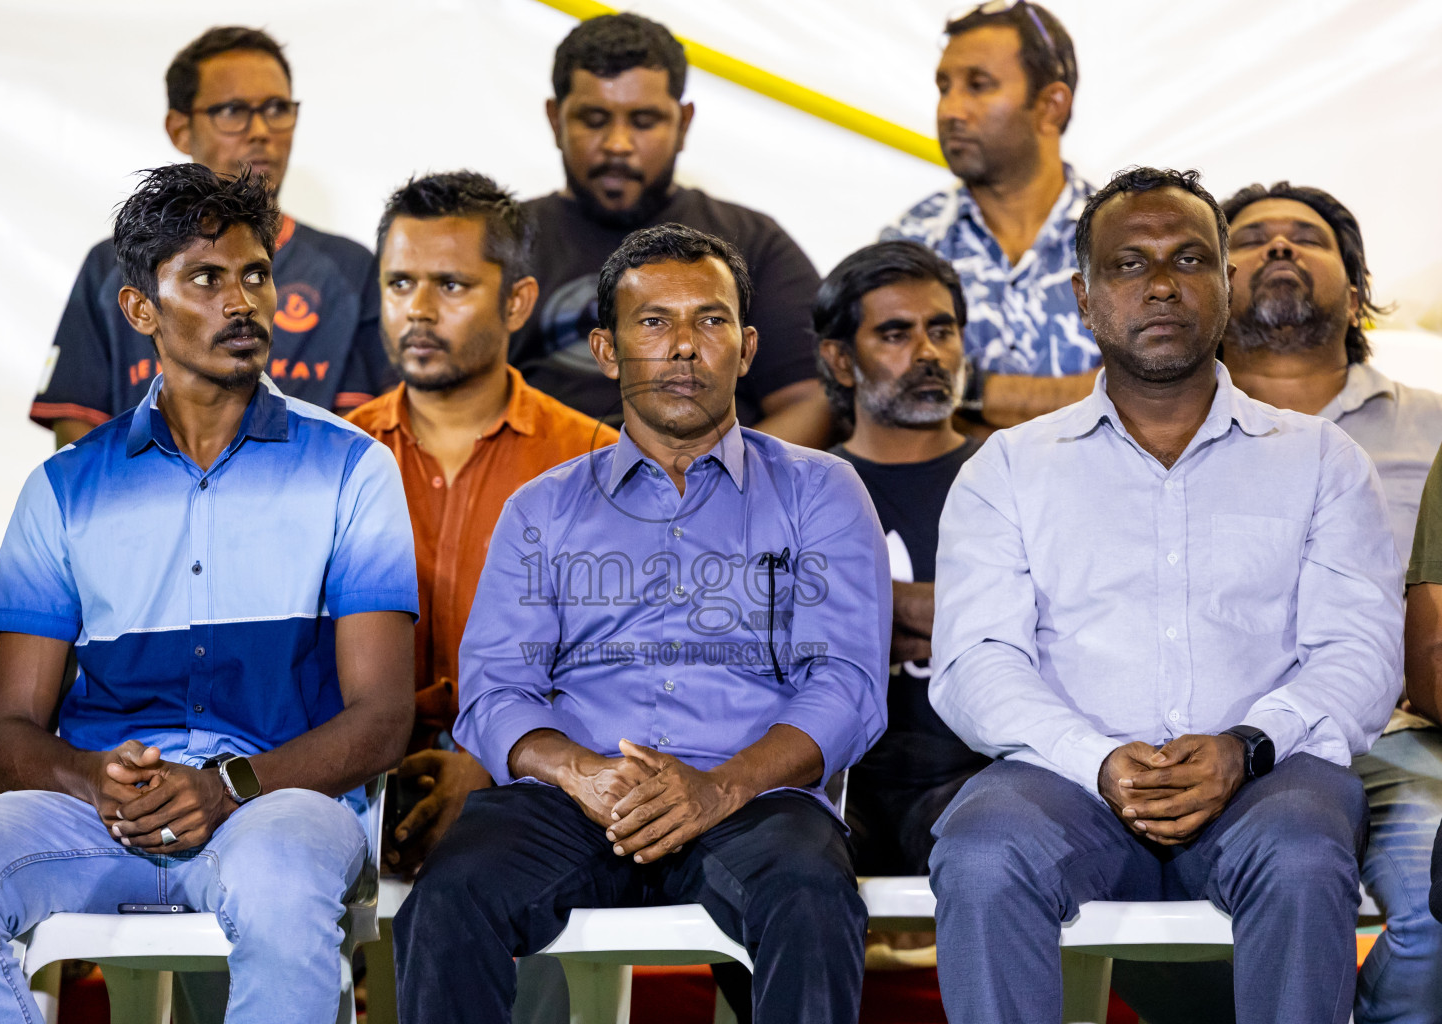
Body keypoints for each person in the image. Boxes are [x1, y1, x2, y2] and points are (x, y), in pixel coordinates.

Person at [0, 164, 418, 1024]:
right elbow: (9, 733)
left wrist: (228, 785)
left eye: (255, 274)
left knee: (284, 878)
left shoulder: (352, 468)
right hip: (108, 816)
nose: (243, 301)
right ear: (143, 310)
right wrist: (92, 777)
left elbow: (381, 720)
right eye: (207, 279)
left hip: (279, 805)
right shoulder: (66, 488)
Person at [926, 167, 1402, 1024]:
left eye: (1188, 259)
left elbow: (1359, 654)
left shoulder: (1321, 461)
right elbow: (975, 662)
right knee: (983, 851)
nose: (1159, 285)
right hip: (1064, 783)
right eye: (1127, 264)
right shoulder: (1009, 467)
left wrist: (1245, 747)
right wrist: (1096, 760)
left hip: (1269, 779)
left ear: (1225, 285)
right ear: (1083, 295)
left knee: (1302, 853)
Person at [393, 224, 890, 1024]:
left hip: (755, 797)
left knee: (809, 896)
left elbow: (849, 689)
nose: (686, 347)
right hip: (571, 801)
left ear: (748, 346)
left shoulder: (819, 492)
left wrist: (719, 786)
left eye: (711, 320)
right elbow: (495, 695)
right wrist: (584, 775)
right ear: (607, 349)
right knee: (451, 901)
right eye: (655, 323)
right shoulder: (543, 509)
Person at [1215, 181, 1442, 1024]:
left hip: (1397, 739)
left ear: (1356, 286)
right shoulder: (1159, 429)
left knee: (1438, 911)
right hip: (1215, 741)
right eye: (1253, 238)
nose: (1279, 248)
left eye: (1306, 238)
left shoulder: (1435, 429)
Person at [347, 171, 612, 877]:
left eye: (452, 286)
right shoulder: (334, 460)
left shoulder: (594, 461)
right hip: (353, 784)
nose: (420, 311)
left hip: (537, 792)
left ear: (519, 300)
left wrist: (492, 764)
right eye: (400, 284)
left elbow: (615, 668)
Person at [31, 26, 392, 448]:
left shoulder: (349, 269)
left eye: (277, 108)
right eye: (232, 110)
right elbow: (78, 432)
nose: (260, 130)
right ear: (180, 129)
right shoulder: (110, 267)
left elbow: (366, 430)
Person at [513, 12, 832, 446]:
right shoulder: (502, 244)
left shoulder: (752, 241)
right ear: (555, 119)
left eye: (644, 121)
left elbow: (811, 399)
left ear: (683, 124)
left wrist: (707, 489)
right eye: (594, 119)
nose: (618, 144)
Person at [814, 240, 989, 876]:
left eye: (941, 330)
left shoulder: (1015, 475)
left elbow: (1063, 623)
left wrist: (859, 610)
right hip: (830, 776)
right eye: (895, 333)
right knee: (767, 860)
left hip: (980, 771)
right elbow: (770, 632)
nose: (928, 353)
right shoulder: (799, 487)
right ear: (839, 359)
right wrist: (962, 614)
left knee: (1005, 846)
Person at [883, 1, 1097, 428]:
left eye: (978, 85)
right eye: (945, 87)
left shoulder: (1124, 236)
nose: (950, 111)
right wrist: (1092, 397)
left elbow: (1159, 394)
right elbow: (888, 400)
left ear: (1051, 104)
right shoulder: (908, 243)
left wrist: (966, 394)